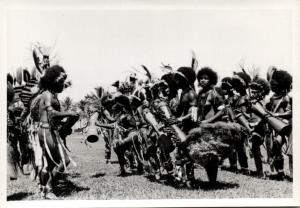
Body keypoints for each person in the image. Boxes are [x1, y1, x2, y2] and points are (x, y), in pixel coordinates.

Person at [36, 65, 79, 199]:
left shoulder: (51, 95)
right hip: (46, 131)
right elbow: (52, 114)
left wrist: (66, 125)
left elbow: (53, 117)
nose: (63, 84)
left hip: (49, 130)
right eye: (60, 81)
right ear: (52, 81)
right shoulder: (47, 95)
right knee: (64, 161)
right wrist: (69, 113)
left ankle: (43, 187)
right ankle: (48, 189)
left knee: (49, 163)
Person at [265, 68, 292, 180]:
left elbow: (290, 112)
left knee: (278, 142)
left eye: (275, 85)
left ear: (281, 85)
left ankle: (291, 173)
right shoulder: (271, 98)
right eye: (271, 84)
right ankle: (280, 172)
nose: (272, 87)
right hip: (273, 126)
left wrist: (278, 115)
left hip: (285, 126)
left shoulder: (286, 98)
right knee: (274, 148)